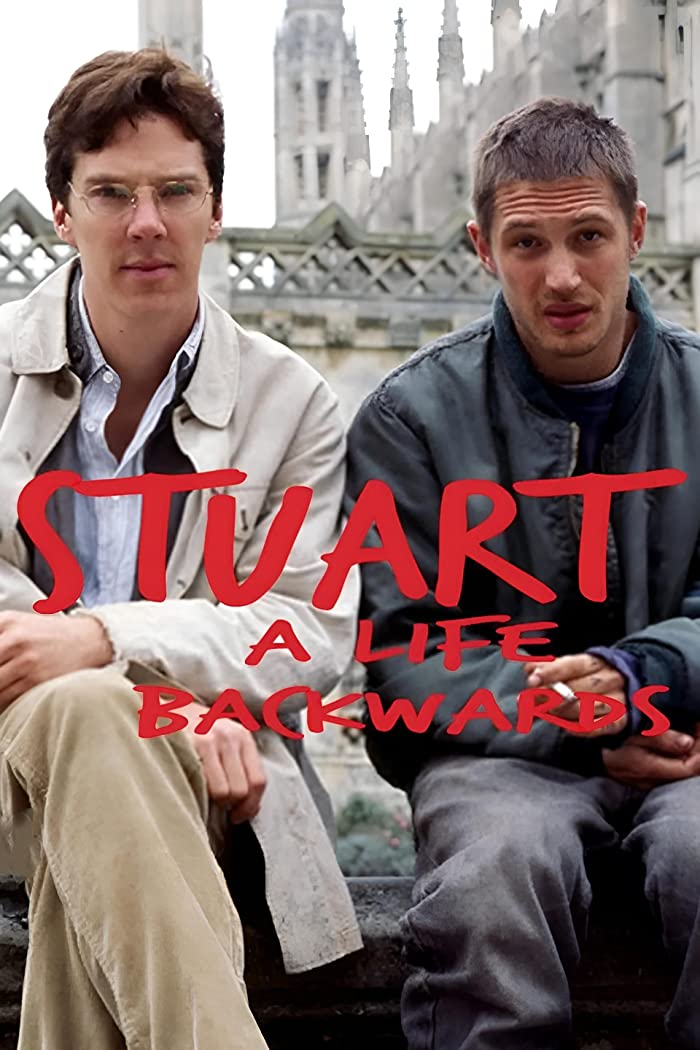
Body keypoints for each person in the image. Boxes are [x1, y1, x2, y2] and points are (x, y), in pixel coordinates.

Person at [0, 48, 361, 1049]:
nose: (146, 222)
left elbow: (308, 627)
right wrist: (153, 696)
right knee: (89, 717)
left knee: (92, 736)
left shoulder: (292, 402)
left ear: (215, 210)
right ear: (63, 213)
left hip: (217, 775)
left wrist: (105, 643)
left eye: (174, 192)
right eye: (111, 193)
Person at [345, 97, 700, 1050]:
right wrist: (584, 722)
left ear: (635, 229)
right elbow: (404, 657)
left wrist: (644, 678)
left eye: (589, 236)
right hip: (496, 756)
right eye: (528, 244)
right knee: (493, 875)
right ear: (482, 248)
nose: (563, 275)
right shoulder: (411, 417)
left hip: (689, 739)